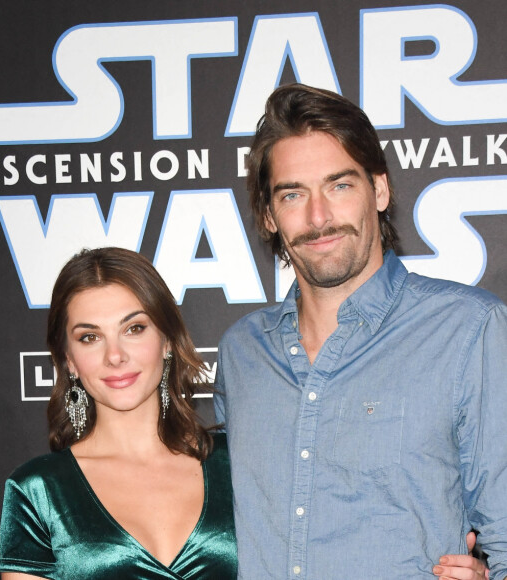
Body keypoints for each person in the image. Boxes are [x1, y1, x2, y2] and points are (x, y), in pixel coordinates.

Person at [214, 83, 506, 579]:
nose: (319, 216)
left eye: (340, 185)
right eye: (292, 194)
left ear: (380, 189)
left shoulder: (468, 329)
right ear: (268, 216)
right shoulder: (243, 351)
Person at [0, 247, 237, 579]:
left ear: (167, 340)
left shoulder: (236, 464)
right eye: (90, 337)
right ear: (68, 360)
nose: (115, 356)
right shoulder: (39, 491)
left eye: (134, 329)